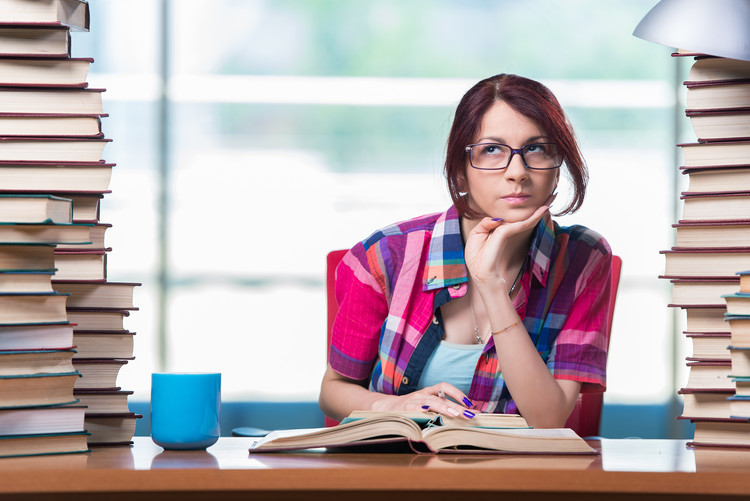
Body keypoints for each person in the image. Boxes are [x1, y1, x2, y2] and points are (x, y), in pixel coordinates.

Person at [319, 73, 613, 429]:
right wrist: (396, 405)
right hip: (397, 472)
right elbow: (333, 392)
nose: (517, 172)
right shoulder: (385, 256)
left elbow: (547, 418)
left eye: (536, 148)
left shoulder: (584, 259)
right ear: (460, 172)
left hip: (513, 476)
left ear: (558, 165)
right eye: (491, 150)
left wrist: (490, 285)